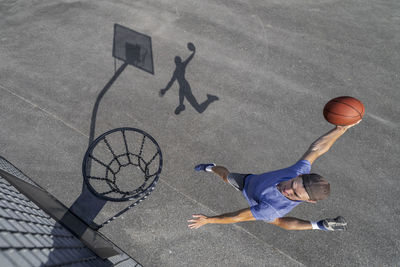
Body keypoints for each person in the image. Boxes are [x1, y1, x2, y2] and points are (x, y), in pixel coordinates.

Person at [188, 121, 361, 231]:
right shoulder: (298, 171)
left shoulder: (272, 208)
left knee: (277, 221)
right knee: (226, 176)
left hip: (262, 202)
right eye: (292, 184)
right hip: (250, 181)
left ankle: (317, 225)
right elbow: (317, 149)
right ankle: (211, 167)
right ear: (299, 176)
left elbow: (236, 217)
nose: (287, 190)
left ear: (309, 201)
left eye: (294, 194)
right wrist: (339, 129)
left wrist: (209, 220)